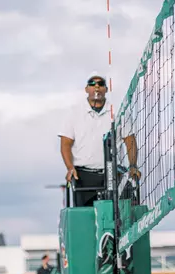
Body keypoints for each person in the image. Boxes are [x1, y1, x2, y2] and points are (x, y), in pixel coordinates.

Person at [59, 72, 140, 207]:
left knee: (128, 206)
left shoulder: (119, 111)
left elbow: (130, 141)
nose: (96, 87)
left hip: (113, 173)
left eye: (101, 84)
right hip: (84, 175)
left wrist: (132, 165)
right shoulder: (74, 113)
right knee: (85, 216)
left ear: (106, 89)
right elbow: (65, 144)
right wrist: (70, 167)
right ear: (86, 89)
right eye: (92, 83)